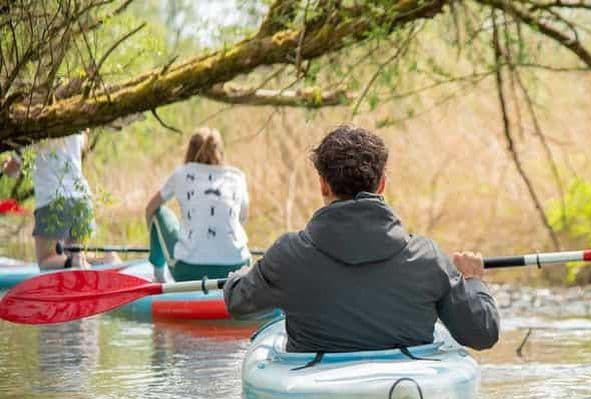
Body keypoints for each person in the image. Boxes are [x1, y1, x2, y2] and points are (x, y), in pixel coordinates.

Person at [224, 124, 499, 352]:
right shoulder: (428, 257)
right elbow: (482, 334)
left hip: (317, 390)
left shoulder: (287, 255)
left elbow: (238, 303)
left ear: (323, 184)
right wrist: (472, 283)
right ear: (381, 185)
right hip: (405, 387)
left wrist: (243, 275)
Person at [145, 127, 250, 282]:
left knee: (160, 214)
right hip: (238, 267)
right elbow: (241, 219)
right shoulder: (237, 177)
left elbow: (150, 208)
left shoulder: (181, 173)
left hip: (189, 270)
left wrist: (156, 239)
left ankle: (158, 278)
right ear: (220, 151)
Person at [2, 131, 102, 269]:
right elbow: (83, 142)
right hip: (82, 198)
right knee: (76, 254)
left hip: (53, 200)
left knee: (46, 260)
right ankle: (107, 259)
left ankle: (74, 262)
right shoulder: (74, 127)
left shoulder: (30, 132)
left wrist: (6, 165)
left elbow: (13, 170)